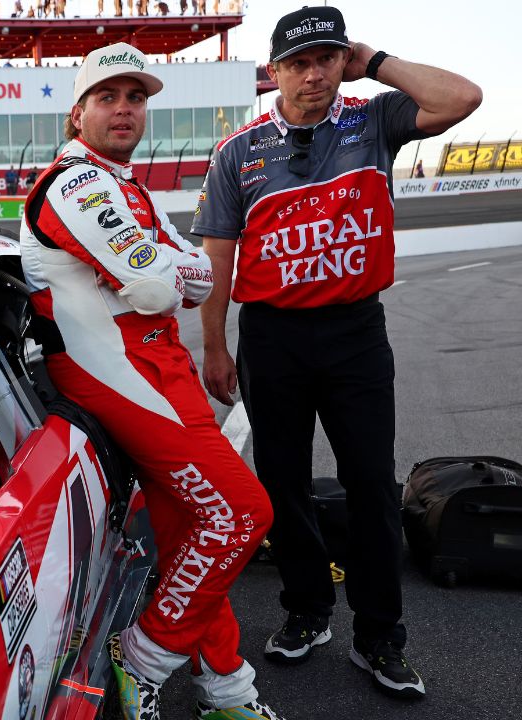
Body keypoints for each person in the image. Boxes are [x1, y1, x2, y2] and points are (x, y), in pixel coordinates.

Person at [192, 6, 480, 701]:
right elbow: (217, 257)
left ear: (341, 62)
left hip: (355, 332)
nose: (314, 73)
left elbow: (463, 98)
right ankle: (306, 610)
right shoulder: (239, 151)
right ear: (277, 72)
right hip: (271, 336)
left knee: (372, 485)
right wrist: (215, 348)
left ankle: (380, 635)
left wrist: (374, 59)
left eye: (327, 58)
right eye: (298, 63)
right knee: (282, 482)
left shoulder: (373, 120)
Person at [19, 42, 280, 720]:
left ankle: (228, 693)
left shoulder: (128, 185)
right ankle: (143, 656)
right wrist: (171, 272)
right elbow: (156, 284)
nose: (125, 109)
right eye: (109, 97)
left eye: (136, 98)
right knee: (241, 514)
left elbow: (194, 279)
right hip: (116, 374)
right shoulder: (74, 183)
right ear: (80, 113)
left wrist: (171, 273)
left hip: (162, 371)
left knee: (198, 534)